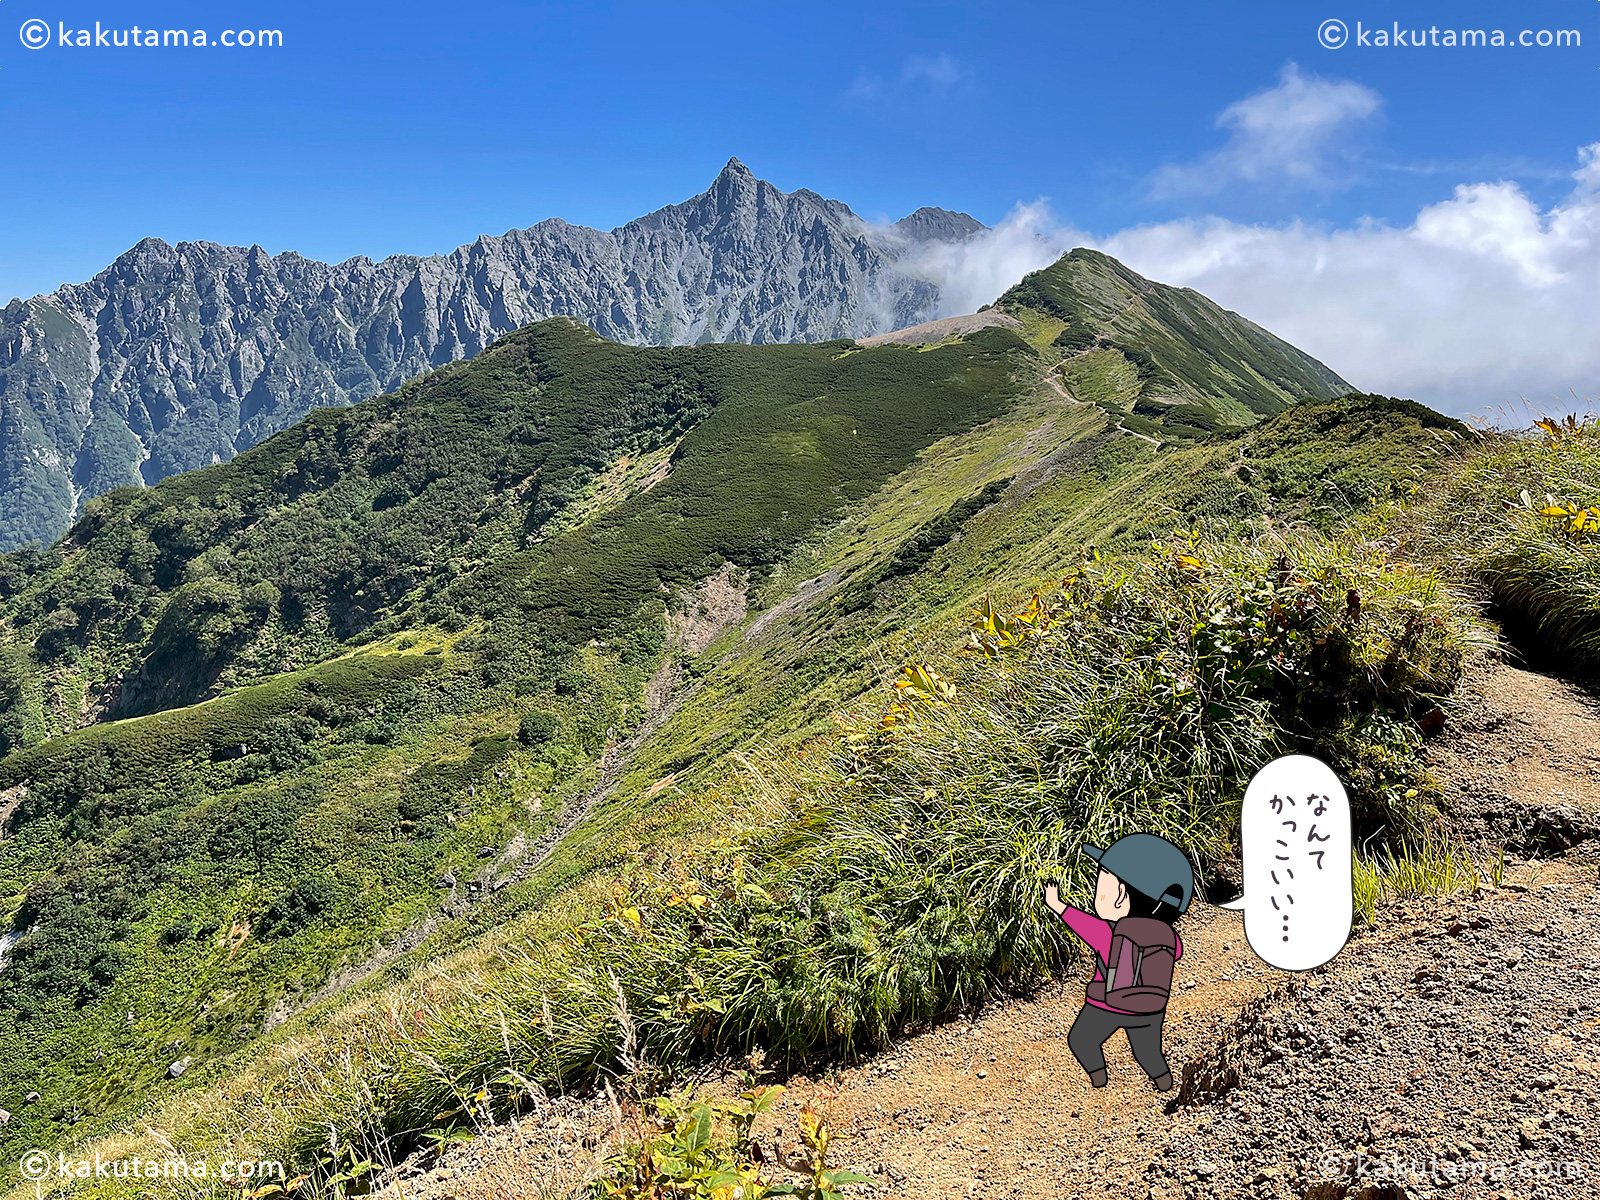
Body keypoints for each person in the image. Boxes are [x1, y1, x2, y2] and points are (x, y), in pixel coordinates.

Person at [1043, 833, 1195, 1092]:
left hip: (1106, 1005)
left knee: (1081, 1041)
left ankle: (1099, 1080)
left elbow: (1079, 922)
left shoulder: (1108, 933)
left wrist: (1056, 904)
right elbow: (1176, 953)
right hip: (1150, 1008)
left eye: (1103, 882)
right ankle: (1163, 1081)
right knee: (1147, 1053)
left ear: (1120, 896)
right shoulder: (1170, 936)